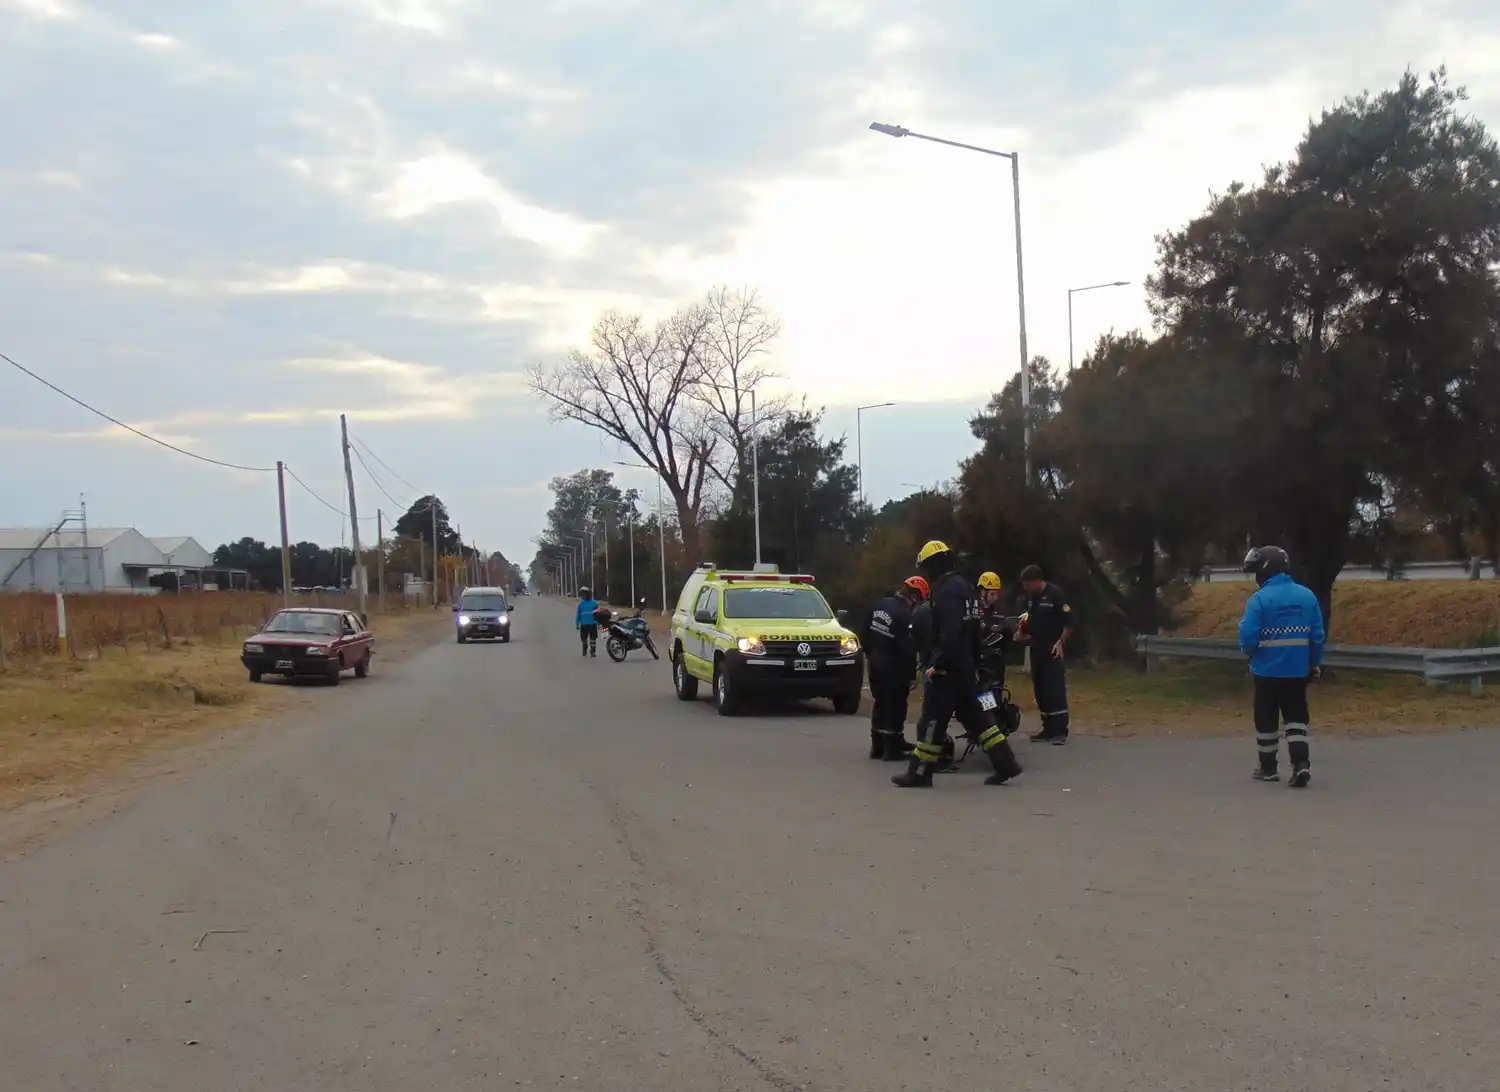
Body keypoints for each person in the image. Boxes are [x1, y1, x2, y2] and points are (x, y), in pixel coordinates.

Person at [892, 541, 1023, 788]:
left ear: (932, 565)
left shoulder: (945, 590)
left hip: (948, 669)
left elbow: (950, 632)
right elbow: (974, 629)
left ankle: (919, 772)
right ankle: (1006, 764)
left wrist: (937, 664)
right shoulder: (965, 587)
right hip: (965, 667)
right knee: (979, 720)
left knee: (931, 721)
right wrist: (976, 662)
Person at [1239, 545, 1325, 787]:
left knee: (1266, 719)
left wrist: (1250, 652)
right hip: (1298, 671)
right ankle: (1301, 764)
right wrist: (1313, 663)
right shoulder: (1307, 596)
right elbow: (1317, 636)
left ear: (1265, 570)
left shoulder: (1259, 599)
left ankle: (1268, 768)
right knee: (1297, 718)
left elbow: (1248, 638)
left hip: (1266, 671)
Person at [861, 577, 926, 761]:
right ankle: (892, 748)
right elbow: (908, 649)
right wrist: (911, 676)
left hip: (875, 661)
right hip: (893, 665)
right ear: (914, 597)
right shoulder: (905, 615)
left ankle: (877, 745)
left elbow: (864, 630)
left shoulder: (880, 604)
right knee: (896, 705)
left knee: (880, 703)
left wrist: (870, 653)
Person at [1019, 564, 1073, 745]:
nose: (1025, 588)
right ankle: (1047, 728)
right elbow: (1031, 621)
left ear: (1036, 581)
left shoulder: (1056, 594)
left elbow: (1069, 622)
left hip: (1052, 648)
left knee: (1054, 689)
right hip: (1036, 648)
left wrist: (1061, 642)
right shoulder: (1033, 598)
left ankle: (1060, 731)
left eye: (1027, 584)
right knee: (1041, 690)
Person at [575, 586, 601, 657]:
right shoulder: (594, 603)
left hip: (585, 624)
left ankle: (585, 649)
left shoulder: (581, 604)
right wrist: (598, 623)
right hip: (592, 624)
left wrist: (577, 624)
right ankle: (592, 651)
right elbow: (597, 615)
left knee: (585, 638)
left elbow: (578, 615)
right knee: (592, 639)